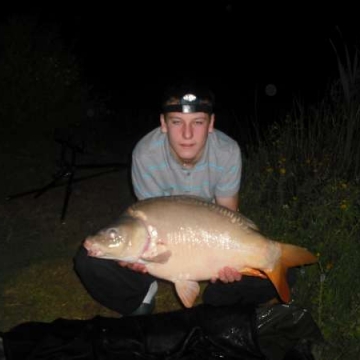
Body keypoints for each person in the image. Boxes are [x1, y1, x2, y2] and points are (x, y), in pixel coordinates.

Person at [74, 79, 295, 316]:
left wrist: (230, 267)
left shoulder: (227, 152)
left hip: (214, 242)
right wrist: (137, 259)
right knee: (89, 262)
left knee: (283, 272)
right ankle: (142, 294)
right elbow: (153, 213)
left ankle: (218, 297)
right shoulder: (145, 154)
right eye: (177, 122)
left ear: (211, 124)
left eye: (197, 122)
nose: (187, 134)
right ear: (163, 123)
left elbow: (231, 215)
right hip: (163, 245)